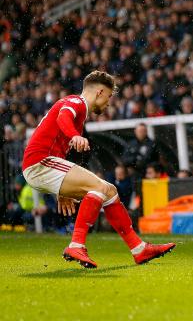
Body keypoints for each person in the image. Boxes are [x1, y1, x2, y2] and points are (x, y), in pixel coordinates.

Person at [21, 71, 175, 268]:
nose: (109, 103)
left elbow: (56, 135)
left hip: (46, 164)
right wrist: (74, 135)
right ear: (100, 92)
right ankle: (76, 244)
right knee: (99, 188)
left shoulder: (78, 108)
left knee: (109, 190)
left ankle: (138, 248)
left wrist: (61, 189)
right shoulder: (76, 102)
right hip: (40, 162)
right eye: (109, 96)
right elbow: (63, 117)